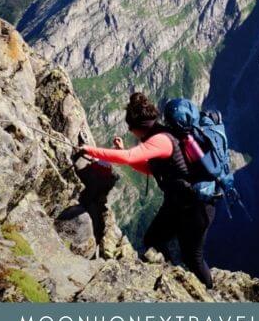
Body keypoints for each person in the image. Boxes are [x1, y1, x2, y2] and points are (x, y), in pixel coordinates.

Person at [81, 92, 216, 288]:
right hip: (178, 203)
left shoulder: (160, 140)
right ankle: (172, 278)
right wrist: (122, 152)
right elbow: (151, 169)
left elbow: (129, 156)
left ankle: (209, 292)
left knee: (192, 257)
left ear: (138, 127)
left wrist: (90, 150)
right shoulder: (160, 134)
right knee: (153, 239)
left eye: (130, 128)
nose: (130, 132)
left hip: (197, 208)